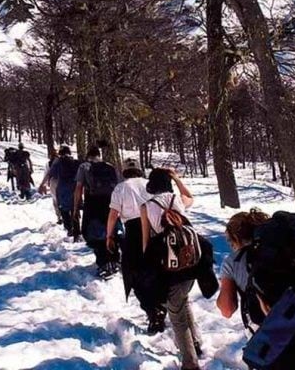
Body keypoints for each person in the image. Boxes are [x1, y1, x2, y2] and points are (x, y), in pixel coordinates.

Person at [141, 168, 202, 370]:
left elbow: (146, 240)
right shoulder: (177, 200)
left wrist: (147, 267)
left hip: (167, 266)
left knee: (176, 315)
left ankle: (190, 363)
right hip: (190, 261)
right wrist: (176, 178)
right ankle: (196, 343)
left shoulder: (147, 206)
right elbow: (190, 197)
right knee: (182, 302)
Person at [106, 159, 168, 334]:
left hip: (133, 232)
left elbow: (113, 214)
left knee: (133, 274)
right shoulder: (149, 184)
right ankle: (160, 304)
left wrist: (109, 235)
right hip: (154, 228)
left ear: (124, 171)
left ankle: (152, 310)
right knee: (156, 271)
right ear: (140, 170)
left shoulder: (120, 188)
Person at [73, 146, 121, 279]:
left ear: (88, 155)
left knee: (95, 233)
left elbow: (78, 188)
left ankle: (104, 264)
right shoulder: (110, 166)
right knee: (112, 230)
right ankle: (115, 259)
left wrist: (76, 206)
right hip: (110, 202)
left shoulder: (84, 167)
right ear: (99, 155)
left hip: (92, 203)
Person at [216, 209, 271, 320]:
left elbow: (227, 310)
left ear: (235, 238)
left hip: (268, 329)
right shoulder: (282, 249)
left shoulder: (232, 262)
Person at [42, 146, 81, 238]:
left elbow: (50, 174)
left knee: (64, 209)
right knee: (74, 208)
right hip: (74, 188)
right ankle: (77, 231)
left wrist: (42, 184)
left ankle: (69, 228)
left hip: (62, 188)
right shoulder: (76, 162)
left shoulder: (57, 162)